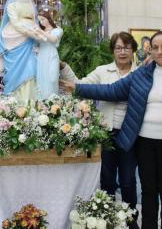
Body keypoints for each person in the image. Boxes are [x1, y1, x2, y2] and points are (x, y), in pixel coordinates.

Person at [62, 30, 162, 229]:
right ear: (150, 51)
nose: (160, 51)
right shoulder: (142, 74)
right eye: (155, 47)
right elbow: (112, 91)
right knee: (147, 192)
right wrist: (77, 89)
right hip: (143, 143)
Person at [60, 31, 139, 229]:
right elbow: (80, 84)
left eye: (126, 47)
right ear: (112, 51)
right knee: (107, 180)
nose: (122, 52)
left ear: (133, 51)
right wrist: (63, 67)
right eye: (118, 48)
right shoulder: (103, 71)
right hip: (106, 132)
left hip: (131, 133)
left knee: (129, 180)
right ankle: (108, 220)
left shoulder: (140, 74)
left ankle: (130, 221)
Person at [0, 0, 46, 102]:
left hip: (30, 42)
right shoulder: (12, 4)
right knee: (14, 74)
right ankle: (15, 105)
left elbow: (35, 20)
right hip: (16, 39)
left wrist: (37, 32)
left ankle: (31, 104)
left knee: (32, 69)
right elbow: (16, 23)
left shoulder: (30, 2)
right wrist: (31, 32)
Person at [36, 9, 63, 100]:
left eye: (43, 19)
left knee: (52, 78)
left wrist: (40, 31)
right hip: (41, 56)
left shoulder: (57, 30)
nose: (41, 22)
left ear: (48, 18)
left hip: (52, 54)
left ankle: (53, 101)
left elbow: (53, 39)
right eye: (40, 20)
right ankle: (42, 102)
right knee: (42, 79)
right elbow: (38, 44)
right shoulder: (40, 31)